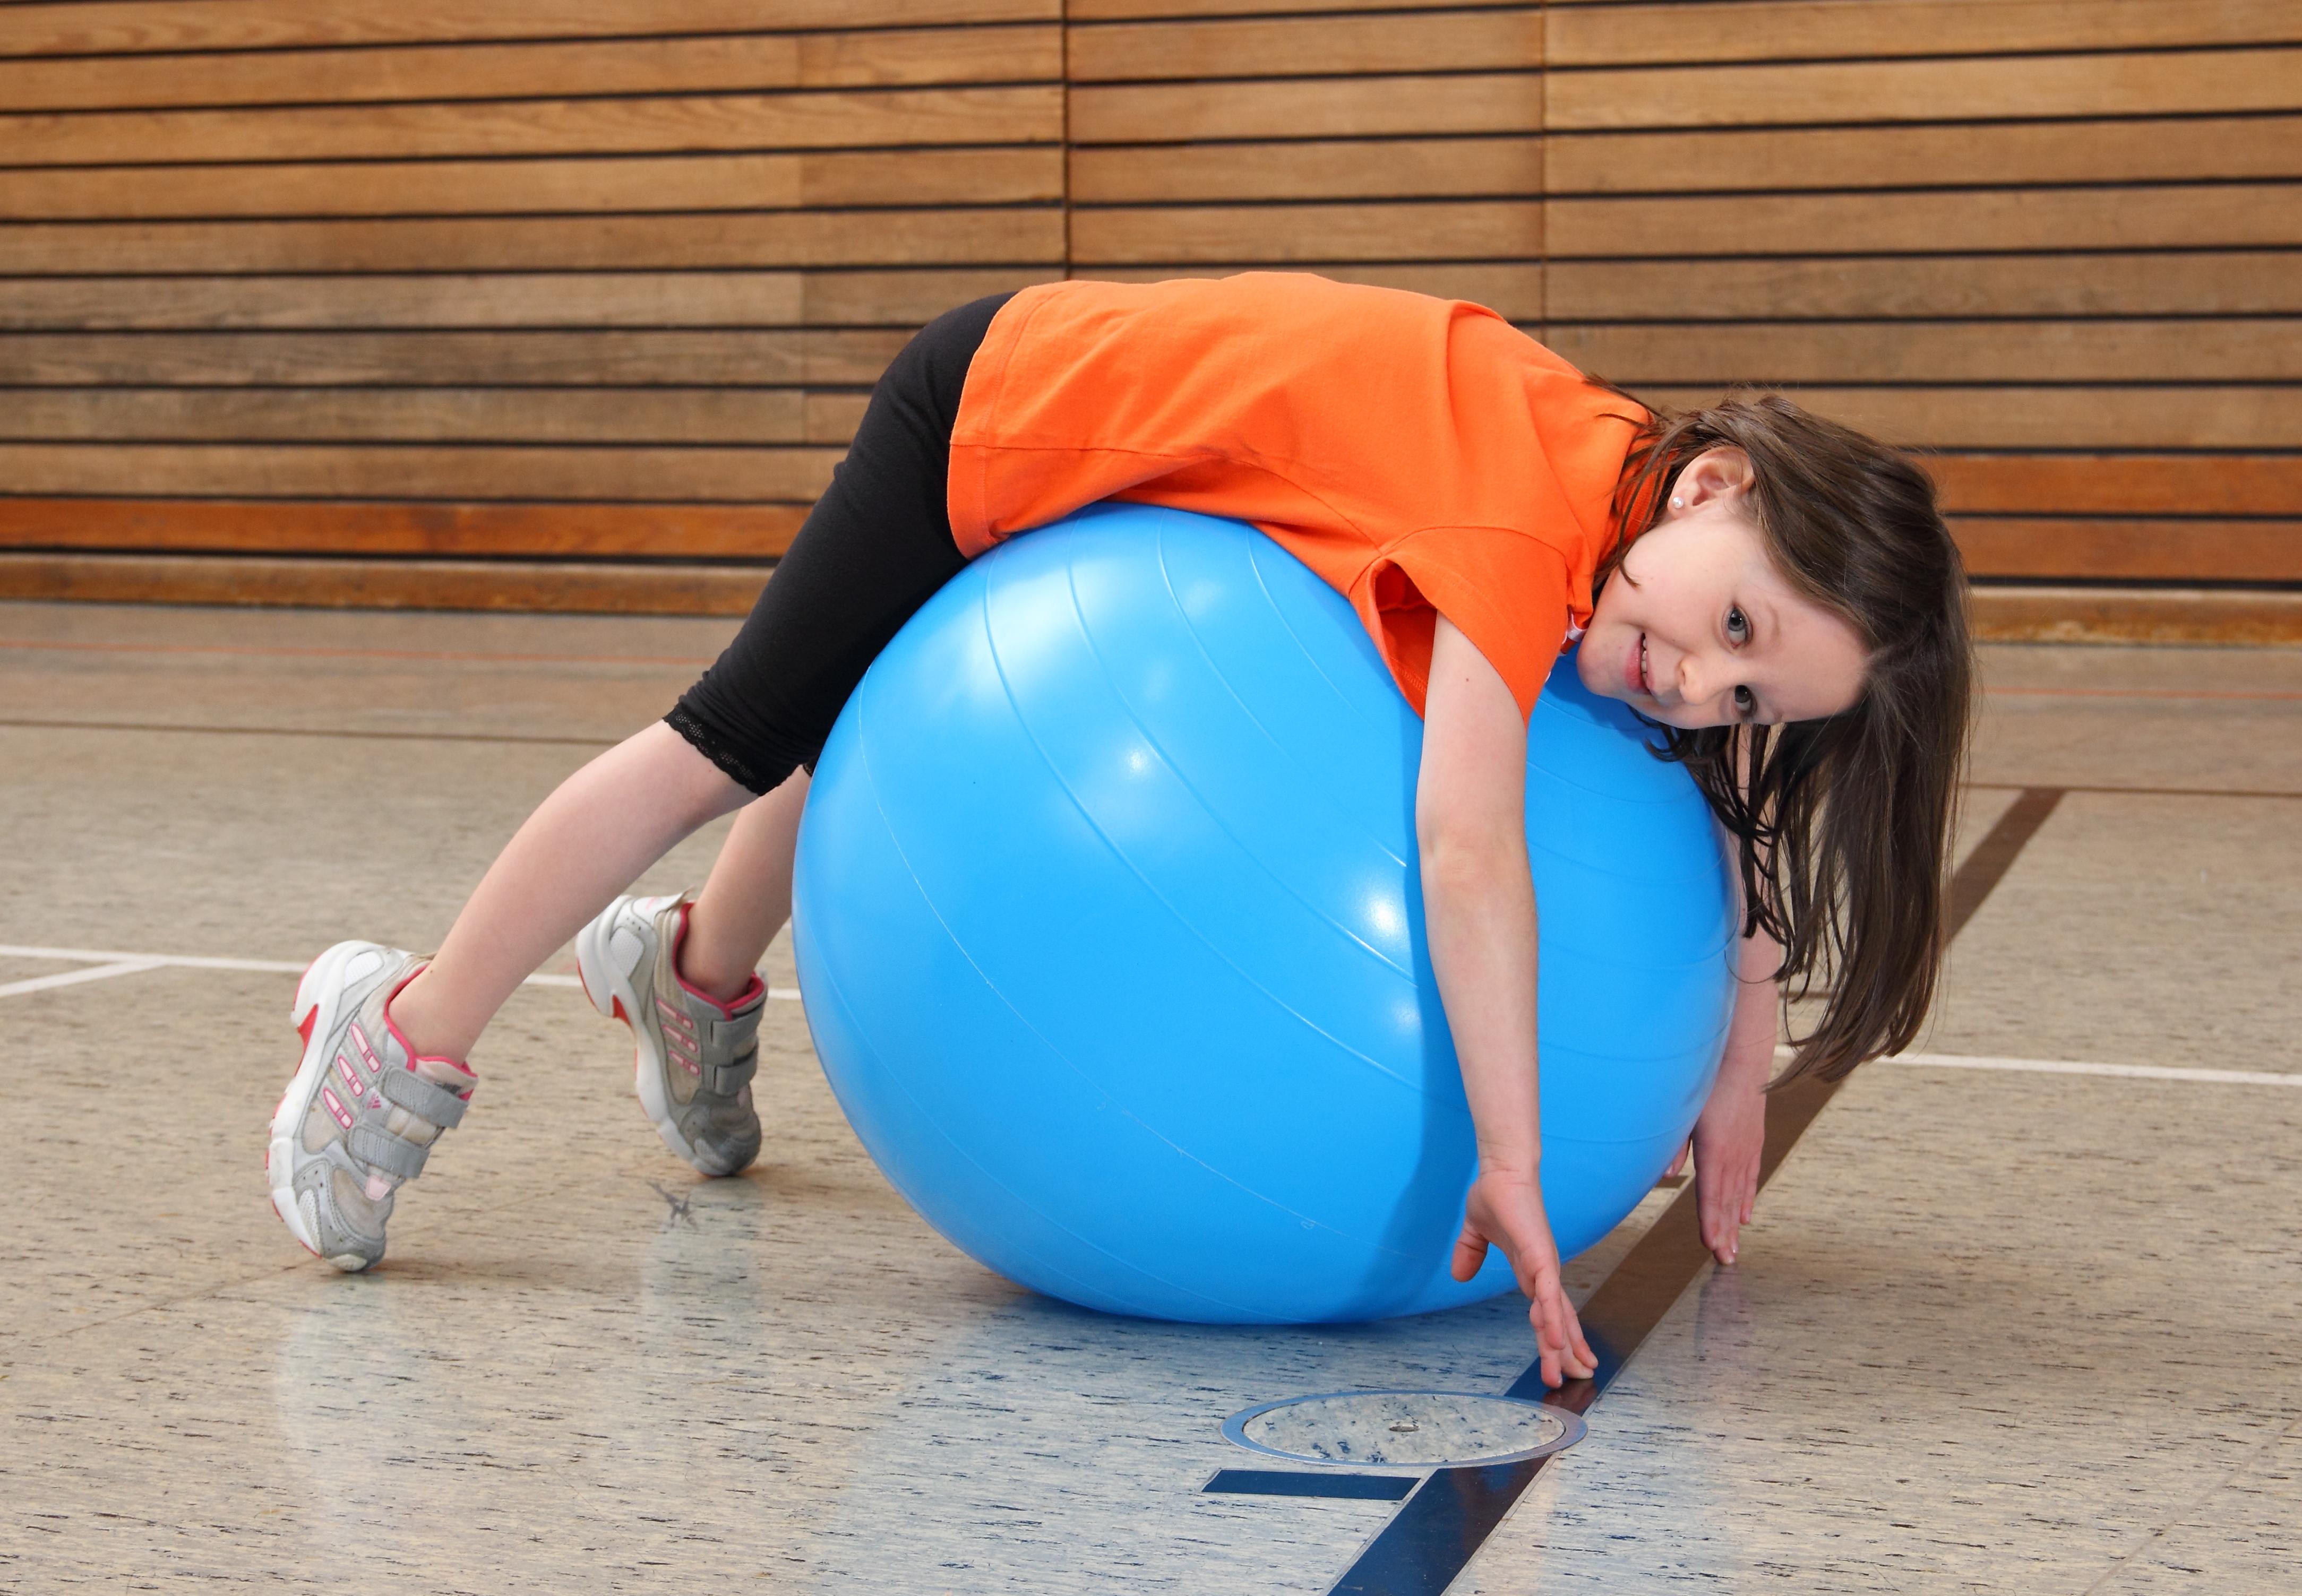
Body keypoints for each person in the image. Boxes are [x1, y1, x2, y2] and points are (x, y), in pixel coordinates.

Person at [266, 274, 1971, 1390]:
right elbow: (1463, 847)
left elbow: (1744, 805)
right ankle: (401, 1035)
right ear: (1713, 490)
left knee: (893, 722)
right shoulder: (1523, 522)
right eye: (1732, 630)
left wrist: (1745, 1018)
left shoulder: (1633, 520)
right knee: (738, 740)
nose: (1694, 690)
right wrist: (1516, 1164)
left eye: (1750, 701)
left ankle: (694, 980)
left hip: (1149, 483)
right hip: (988, 421)